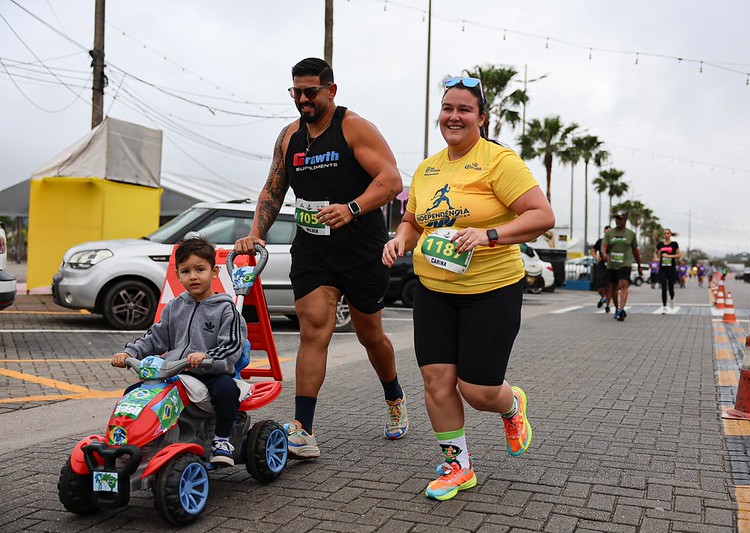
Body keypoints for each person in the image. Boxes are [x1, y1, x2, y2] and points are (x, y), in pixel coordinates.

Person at [383, 76, 555, 501]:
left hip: (491, 289)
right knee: (436, 379)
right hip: (434, 290)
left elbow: (542, 216)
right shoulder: (428, 169)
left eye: (464, 109)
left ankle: (511, 405)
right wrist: (401, 237)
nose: (454, 116)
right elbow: (414, 220)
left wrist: (488, 235)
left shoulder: (499, 162)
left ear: (482, 117)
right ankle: (458, 465)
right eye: (448, 108)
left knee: (477, 391)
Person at [234, 58, 408, 460]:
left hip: (361, 250)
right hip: (314, 250)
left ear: (331, 90)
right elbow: (273, 189)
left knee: (370, 335)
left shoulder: (354, 128)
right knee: (313, 330)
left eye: (311, 91)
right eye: (296, 92)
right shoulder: (289, 137)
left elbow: (391, 181)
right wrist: (256, 233)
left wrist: (351, 208)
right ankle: (304, 429)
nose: (303, 99)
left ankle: (394, 395)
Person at [112, 236, 247, 467]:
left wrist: (207, 357)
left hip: (210, 372)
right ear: (178, 275)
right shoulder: (175, 306)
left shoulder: (226, 310)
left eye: (200, 269)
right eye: (186, 271)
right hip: (174, 371)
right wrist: (130, 353)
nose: (193, 276)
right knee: (134, 393)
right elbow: (155, 337)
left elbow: (232, 346)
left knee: (226, 389)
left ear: (214, 272)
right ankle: (133, 441)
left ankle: (222, 440)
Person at [601, 212, 643, 322]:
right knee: (613, 287)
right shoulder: (609, 234)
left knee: (624, 284)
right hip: (612, 264)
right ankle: (616, 308)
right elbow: (604, 246)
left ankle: (621, 309)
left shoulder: (631, 234)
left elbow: (635, 251)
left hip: (625, 263)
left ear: (625, 220)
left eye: (620, 219)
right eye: (617, 219)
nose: (618, 221)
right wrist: (604, 254)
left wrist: (639, 265)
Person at [654, 229, 682, 313]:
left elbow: (679, 255)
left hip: (671, 268)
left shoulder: (674, 244)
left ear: (670, 235)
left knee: (670, 288)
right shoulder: (660, 244)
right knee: (664, 287)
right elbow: (655, 252)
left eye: (668, 233)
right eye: (665, 233)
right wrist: (656, 258)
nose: (666, 235)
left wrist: (669, 256)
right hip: (662, 268)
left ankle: (672, 299)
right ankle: (664, 306)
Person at [591, 225, 611, 313]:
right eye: (606, 232)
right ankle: (603, 297)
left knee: (608, 287)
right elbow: (593, 250)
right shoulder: (600, 241)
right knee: (600, 287)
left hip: (611, 265)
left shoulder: (614, 242)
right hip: (602, 265)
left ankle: (608, 305)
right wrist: (597, 257)